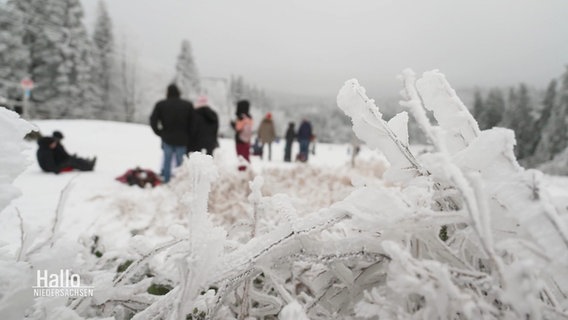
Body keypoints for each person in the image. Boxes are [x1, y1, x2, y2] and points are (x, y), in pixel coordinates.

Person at [150, 84, 194, 183]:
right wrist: (189, 135)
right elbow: (193, 123)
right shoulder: (187, 105)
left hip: (167, 138)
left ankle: (166, 181)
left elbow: (153, 120)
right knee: (180, 163)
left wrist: (159, 132)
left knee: (167, 161)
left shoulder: (161, 104)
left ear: (168, 92)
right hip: (182, 139)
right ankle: (179, 182)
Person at [231, 99, 253, 171]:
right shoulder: (250, 117)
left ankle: (242, 171)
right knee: (246, 156)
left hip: (240, 140)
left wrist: (233, 124)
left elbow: (238, 128)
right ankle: (248, 170)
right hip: (247, 140)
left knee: (241, 157)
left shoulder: (241, 117)